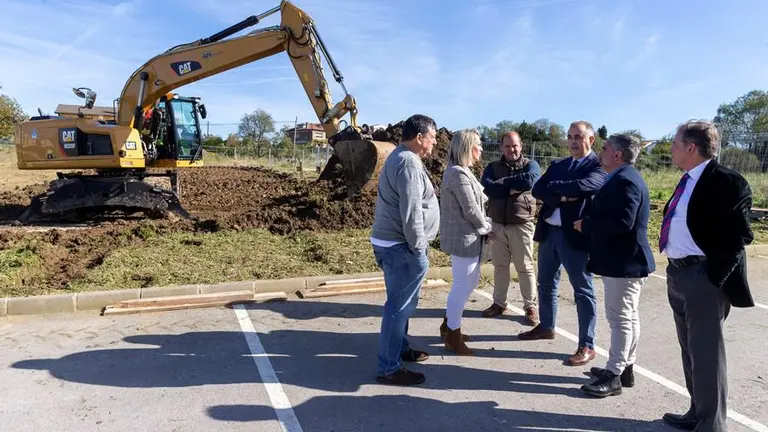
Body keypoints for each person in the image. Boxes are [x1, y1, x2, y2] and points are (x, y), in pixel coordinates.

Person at [659, 120, 754, 431]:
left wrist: (712, 279)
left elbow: (739, 237)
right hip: (678, 273)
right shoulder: (686, 180)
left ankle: (711, 425)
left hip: (703, 277)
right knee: (690, 351)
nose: (670, 149)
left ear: (691, 147)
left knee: (707, 355)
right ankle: (697, 411)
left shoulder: (728, 182)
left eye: (675, 143)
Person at [517, 120, 606, 367]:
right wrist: (566, 193)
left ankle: (587, 344)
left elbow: (588, 185)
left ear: (591, 140)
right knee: (545, 282)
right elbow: (538, 189)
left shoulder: (598, 165)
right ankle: (546, 326)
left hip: (575, 236)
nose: (573, 141)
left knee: (582, 290)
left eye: (578, 136)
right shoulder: (559, 164)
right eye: (569, 136)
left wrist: (557, 190)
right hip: (550, 233)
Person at [573, 133, 655, 398]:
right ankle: (625, 367)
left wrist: (586, 225)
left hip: (625, 262)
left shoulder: (625, 181)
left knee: (620, 318)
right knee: (628, 316)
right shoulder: (621, 178)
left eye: (605, 147)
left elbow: (622, 222)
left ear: (618, 154)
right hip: (624, 261)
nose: (601, 151)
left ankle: (614, 374)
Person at [369, 114, 440, 386]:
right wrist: (419, 248)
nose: (434, 142)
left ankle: (399, 349)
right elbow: (411, 213)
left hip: (396, 245)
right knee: (398, 307)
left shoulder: (401, 157)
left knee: (403, 304)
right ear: (419, 137)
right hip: (402, 247)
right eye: (432, 137)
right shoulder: (408, 162)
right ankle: (389, 367)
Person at [438, 129, 493, 356]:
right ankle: (453, 335)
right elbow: (470, 209)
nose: (481, 149)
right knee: (462, 285)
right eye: (478, 145)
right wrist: (488, 226)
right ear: (467, 147)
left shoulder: (462, 171)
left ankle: (448, 325)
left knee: (469, 283)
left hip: (470, 237)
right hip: (464, 238)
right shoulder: (458, 174)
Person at [480, 131, 541, 325]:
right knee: (500, 267)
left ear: (521, 146)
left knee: (525, 267)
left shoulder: (531, 165)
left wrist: (502, 184)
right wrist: (511, 187)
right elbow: (487, 187)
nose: (511, 149)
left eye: (515, 145)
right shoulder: (493, 167)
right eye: (507, 146)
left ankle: (530, 307)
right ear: (501, 148)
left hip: (522, 225)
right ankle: (499, 303)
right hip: (497, 224)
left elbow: (528, 181)